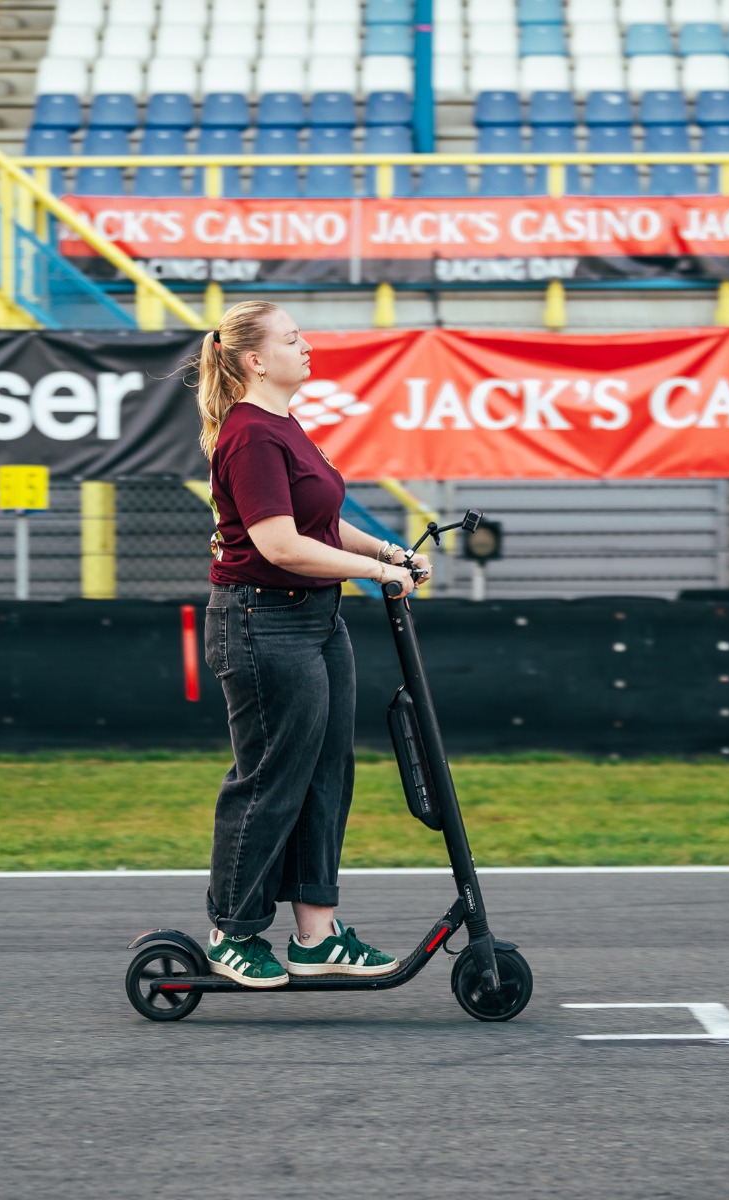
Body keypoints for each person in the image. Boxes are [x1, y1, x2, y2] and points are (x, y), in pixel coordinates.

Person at [196, 300, 433, 988]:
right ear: (254, 360)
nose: (307, 349)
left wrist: (390, 551)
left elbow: (318, 527)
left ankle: (316, 933)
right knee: (270, 778)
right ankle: (232, 932)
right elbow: (277, 544)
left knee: (327, 773)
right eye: (292, 340)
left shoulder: (285, 427)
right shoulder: (248, 435)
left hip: (315, 622)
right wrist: (376, 572)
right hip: (262, 621)